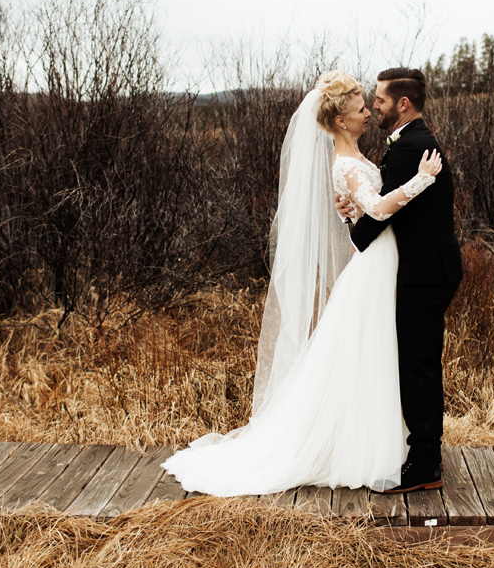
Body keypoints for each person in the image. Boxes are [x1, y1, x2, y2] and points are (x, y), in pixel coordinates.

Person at [160, 71, 442, 496]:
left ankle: (385, 444)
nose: (368, 113)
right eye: (361, 109)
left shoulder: (358, 160)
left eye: (370, 105)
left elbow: (363, 214)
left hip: (384, 262)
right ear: (341, 121)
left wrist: (350, 215)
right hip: (375, 268)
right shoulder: (346, 165)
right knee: (372, 352)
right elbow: (381, 211)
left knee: (377, 355)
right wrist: (421, 180)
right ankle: (362, 448)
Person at [338, 67, 462, 493]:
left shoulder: (412, 149)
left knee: (418, 367)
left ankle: (425, 463)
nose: (375, 105)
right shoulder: (411, 143)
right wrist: (351, 208)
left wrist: (353, 228)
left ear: (402, 104)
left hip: (424, 273)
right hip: (425, 269)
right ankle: (425, 453)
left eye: (380, 99)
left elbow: (376, 219)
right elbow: (385, 207)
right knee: (417, 363)